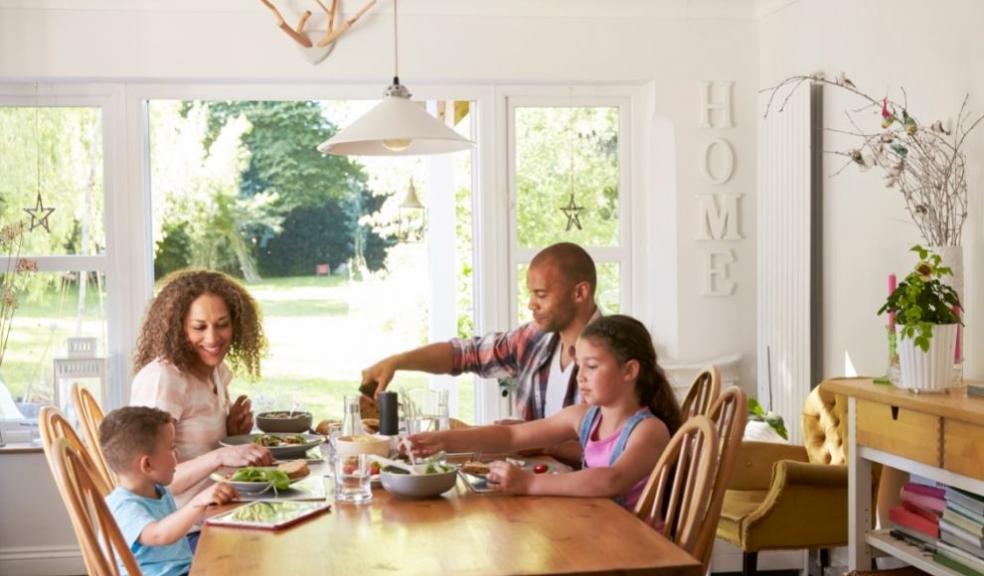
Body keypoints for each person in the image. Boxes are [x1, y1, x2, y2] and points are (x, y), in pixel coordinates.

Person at [409, 315, 682, 510]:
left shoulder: (649, 430)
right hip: (599, 528)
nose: (580, 377)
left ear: (630, 371)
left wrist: (529, 484)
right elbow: (511, 436)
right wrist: (444, 440)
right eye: (579, 366)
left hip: (641, 552)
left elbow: (610, 479)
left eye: (592, 366)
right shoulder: (585, 417)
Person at [362, 242, 601, 423]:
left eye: (541, 295)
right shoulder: (534, 339)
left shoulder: (613, 355)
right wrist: (397, 361)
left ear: (580, 293)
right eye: (531, 294)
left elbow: (612, 447)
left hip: (583, 488)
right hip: (530, 481)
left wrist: (529, 440)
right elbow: (466, 354)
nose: (531, 304)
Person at [131, 269, 273, 508]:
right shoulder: (164, 379)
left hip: (220, 508)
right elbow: (148, 482)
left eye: (222, 325)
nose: (212, 339)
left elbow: (195, 445)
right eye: (199, 327)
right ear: (178, 328)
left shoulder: (214, 370)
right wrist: (219, 456)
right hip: (182, 530)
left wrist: (228, 433)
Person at [100, 406, 239, 576]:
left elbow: (174, 526)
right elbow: (159, 535)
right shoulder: (123, 507)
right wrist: (197, 502)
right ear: (147, 464)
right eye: (172, 447)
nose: (177, 454)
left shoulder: (158, 491)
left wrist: (211, 508)